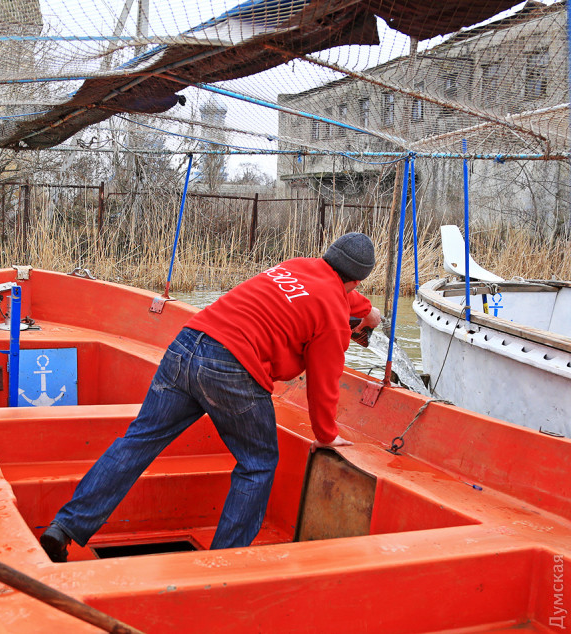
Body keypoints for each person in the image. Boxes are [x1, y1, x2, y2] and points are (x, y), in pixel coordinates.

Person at [40, 232, 382, 562]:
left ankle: (65, 526)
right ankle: (224, 561)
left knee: (138, 441)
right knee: (257, 463)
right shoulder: (334, 316)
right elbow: (324, 383)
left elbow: (328, 292)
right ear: (356, 281)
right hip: (232, 369)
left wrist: (366, 313)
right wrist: (327, 437)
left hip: (187, 344)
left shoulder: (297, 265)